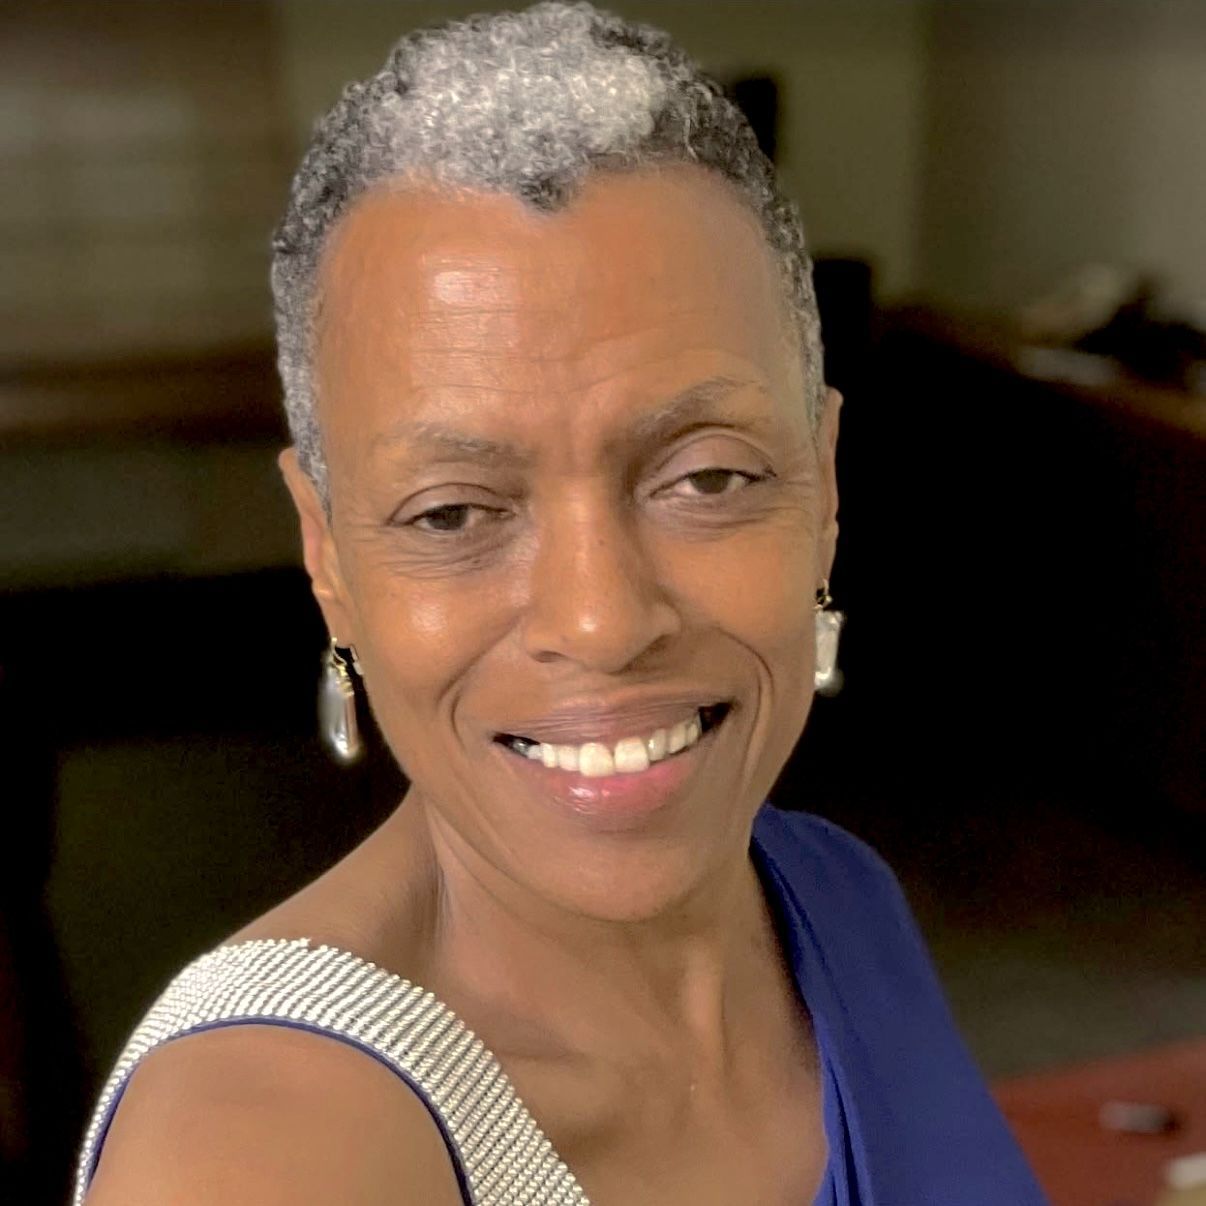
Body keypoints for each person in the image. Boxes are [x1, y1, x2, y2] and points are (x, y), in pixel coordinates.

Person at [74, 4, 1047, 1203]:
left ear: (824, 484)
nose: (601, 620)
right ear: (327, 555)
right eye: (452, 513)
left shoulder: (842, 899)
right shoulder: (261, 1150)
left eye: (705, 477)